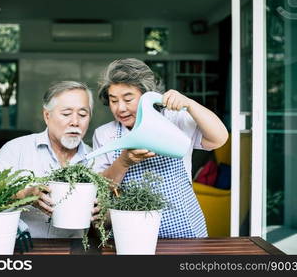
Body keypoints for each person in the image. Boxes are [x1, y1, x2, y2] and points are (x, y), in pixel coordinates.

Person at [92, 58, 228, 238]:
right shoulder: (105, 134)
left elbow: (218, 139)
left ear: (146, 95)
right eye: (113, 100)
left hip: (185, 231)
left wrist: (190, 105)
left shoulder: (174, 120)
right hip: (133, 232)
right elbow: (101, 187)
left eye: (128, 99)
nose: (121, 108)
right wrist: (123, 162)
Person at [0, 81, 97, 238]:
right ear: (47, 116)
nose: (75, 122)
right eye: (66, 114)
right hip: (23, 251)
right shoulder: (16, 149)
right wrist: (25, 195)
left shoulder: (96, 159)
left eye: (83, 114)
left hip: (75, 250)